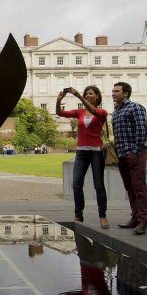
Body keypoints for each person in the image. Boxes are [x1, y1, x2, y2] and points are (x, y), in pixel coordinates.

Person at [56, 86, 109, 229]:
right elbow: (59, 112)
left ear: (97, 96)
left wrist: (79, 96)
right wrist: (58, 100)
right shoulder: (79, 112)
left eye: (90, 94)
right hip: (81, 152)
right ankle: (78, 214)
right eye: (86, 94)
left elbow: (92, 110)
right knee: (76, 184)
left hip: (96, 152)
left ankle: (102, 215)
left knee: (99, 185)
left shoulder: (102, 112)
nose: (88, 95)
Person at [111, 82, 147, 235]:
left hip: (135, 154)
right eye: (113, 91)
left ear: (126, 93)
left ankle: (143, 221)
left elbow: (142, 130)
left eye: (117, 91)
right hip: (122, 154)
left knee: (139, 187)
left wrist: (135, 151)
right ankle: (135, 217)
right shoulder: (116, 111)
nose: (113, 93)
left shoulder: (135, 107)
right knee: (130, 188)